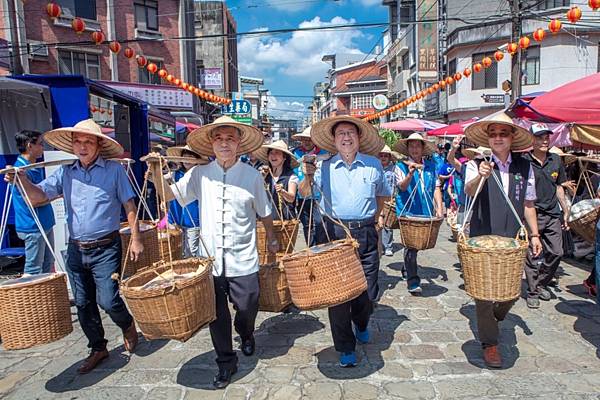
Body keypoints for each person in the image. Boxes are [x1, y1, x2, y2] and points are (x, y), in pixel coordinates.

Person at [147, 116, 278, 389]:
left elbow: (265, 212)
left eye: (230, 138)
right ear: (212, 144)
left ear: (239, 143)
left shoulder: (252, 176)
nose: (224, 144)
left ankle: (246, 332)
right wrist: (156, 171)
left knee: (247, 306)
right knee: (216, 316)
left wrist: (273, 239)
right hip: (211, 262)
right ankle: (226, 363)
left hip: (244, 259)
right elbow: (169, 196)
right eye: (219, 139)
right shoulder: (200, 174)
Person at [5, 119, 143, 374]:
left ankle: (127, 324)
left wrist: (135, 238)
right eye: (77, 142)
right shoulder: (66, 172)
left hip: (106, 247)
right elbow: (38, 198)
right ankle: (98, 347)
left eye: (88, 141)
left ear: (98, 145)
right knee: (82, 301)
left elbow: (130, 206)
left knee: (108, 299)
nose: (82, 147)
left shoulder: (114, 171)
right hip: (77, 248)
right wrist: (20, 180)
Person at [299, 115, 389, 368]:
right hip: (333, 234)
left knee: (368, 291)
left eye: (351, 133)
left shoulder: (373, 164)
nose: (346, 137)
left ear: (359, 138)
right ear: (334, 140)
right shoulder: (323, 166)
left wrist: (376, 218)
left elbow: (382, 194)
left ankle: (361, 322)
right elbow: (306, 194)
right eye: (341, 134)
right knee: (337, 295)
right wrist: (308, 175)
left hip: (365, 233)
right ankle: (345, 347)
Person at [464, 112, 542, 368]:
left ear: (511, 138)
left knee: (510, 293)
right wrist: (481, 175)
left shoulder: (524, 166)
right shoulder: (478, 163)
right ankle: (490, 344)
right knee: (484, 294)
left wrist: (534, 234)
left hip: (512, 239)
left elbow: (529, 203)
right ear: (488, 138)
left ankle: (498, 314)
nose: (497, 138)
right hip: (483, 237)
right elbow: (469, 191)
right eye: (493, 134)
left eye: (503, 133)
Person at [522, 124, 570, 309]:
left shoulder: (556, 160)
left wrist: (565, 210)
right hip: (531, 213)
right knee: (533, 255)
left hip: (551, 213)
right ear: (531, 140)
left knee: (557, 252)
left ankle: (540, 282)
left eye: (547, 137)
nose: (544, 140)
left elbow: (559, 186)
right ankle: (533, 291)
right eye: (540, 137)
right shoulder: (524, 161)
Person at [393, 132, 444, 294]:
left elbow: (436, 187)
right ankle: (413, 281)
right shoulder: (400, 166)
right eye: (411, 146)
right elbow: (401, 186)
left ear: (423, 149)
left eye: (417, 146)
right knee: (411, 245)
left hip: (425, 209)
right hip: (407, 210)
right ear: (407, 149)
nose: (414, 149)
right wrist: (410, 174)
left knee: (417, 244)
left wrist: (439, 208)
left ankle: (406, 267)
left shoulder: (430, 167)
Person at [11, 130, 56, 275]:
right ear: (30, 146)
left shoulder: (33, 167)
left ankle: (46, 295)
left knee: (48, 264)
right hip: (32, 226)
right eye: (41, 144)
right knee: (34, 268)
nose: (43, 148)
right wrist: (57, 195)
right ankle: (32, 296)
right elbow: (32, 200)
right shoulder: (20, 170)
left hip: (45, 223)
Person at [165, 145, 209, 257]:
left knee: (192, 252)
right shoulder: (177, 173)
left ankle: (196, 272)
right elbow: (165, 185)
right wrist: (153, 172)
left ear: (196, 160)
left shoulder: (201, 174)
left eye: (190, 157)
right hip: (179, 219)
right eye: (185, 157)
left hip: (194, 219)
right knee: (182, 251)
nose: (187, 160)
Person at [291, 127, 329, 246]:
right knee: (307, 225)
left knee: (319, 223)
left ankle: (321, 247)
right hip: (301, 195)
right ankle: (311, 248)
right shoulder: (295, 153)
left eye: (309, 139)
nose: (306, 142)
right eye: (303, 139)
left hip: (319, 195)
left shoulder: (324, 153)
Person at [255, 140, 299, 221]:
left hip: (284, 221)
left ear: (284, 157)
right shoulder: (263, 173)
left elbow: (291, 198)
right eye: (271, 153)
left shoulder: (291, 176)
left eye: (277, 153)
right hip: (264, 220)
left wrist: (283, 192)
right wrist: (261, 178)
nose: (273, 156)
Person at [377, 145, 400, 256]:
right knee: (377, 223)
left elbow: (396, 184)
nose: (383, 157)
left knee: (388, 223)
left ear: (390, 157)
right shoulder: (376, 168)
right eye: (381, 155)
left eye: (386, 155)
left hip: (389, 199)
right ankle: (379, 245)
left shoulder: (394, 168)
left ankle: (388, 246)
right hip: (377, 198)